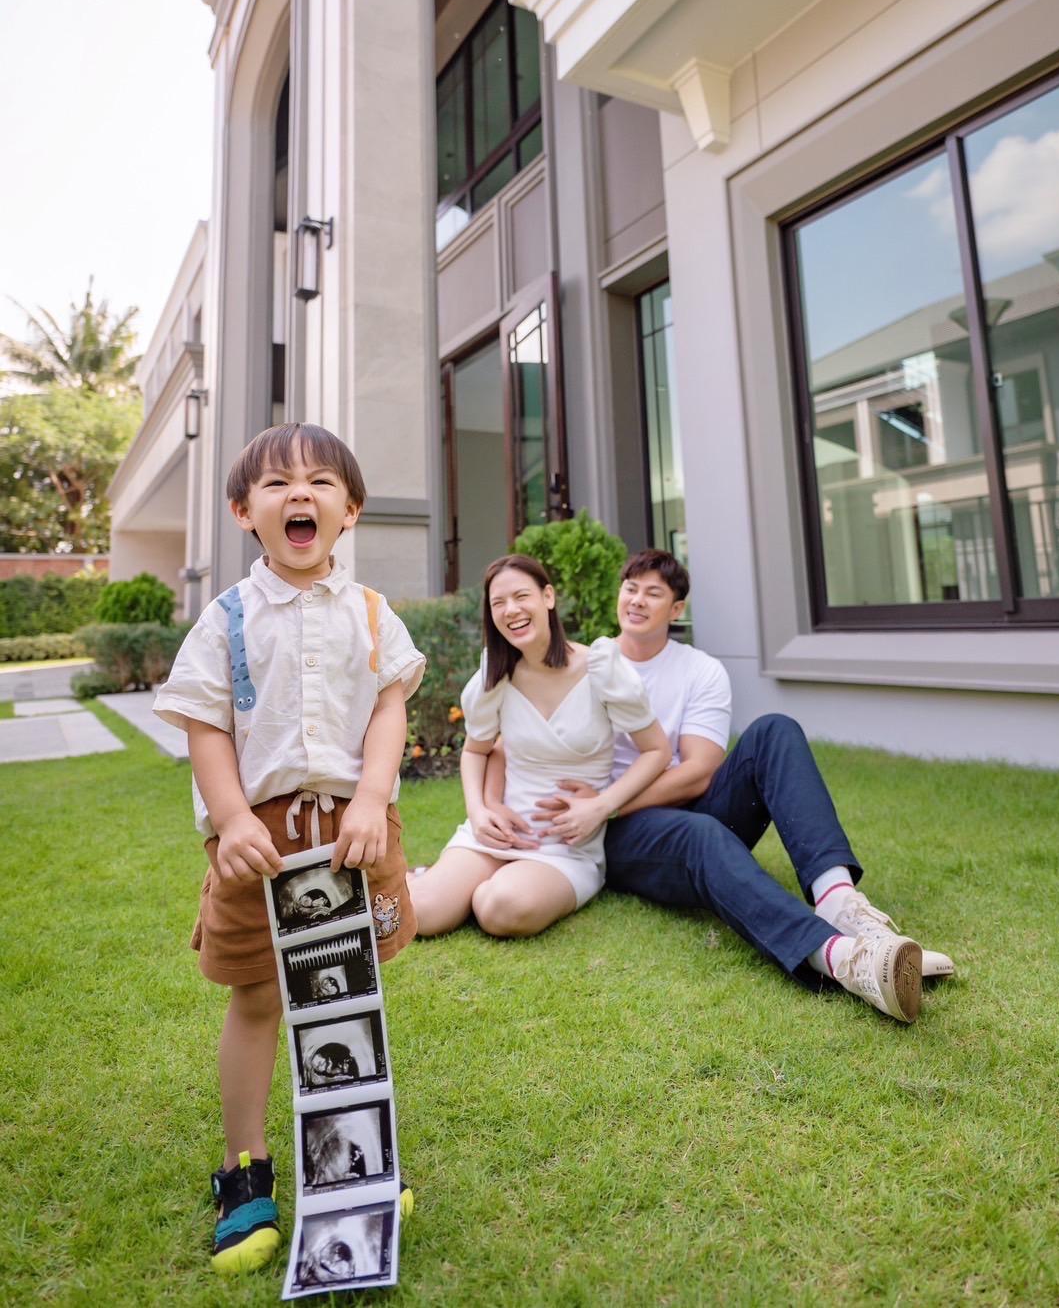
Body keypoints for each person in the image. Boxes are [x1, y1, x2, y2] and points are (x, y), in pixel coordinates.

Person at [153, 422, 425, 1275]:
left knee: (345, 991)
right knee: (259, 995)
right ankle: (245, 1168)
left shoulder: (371, 613)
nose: (298, 493)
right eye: (276, 483)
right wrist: (231, 818)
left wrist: (372, 797)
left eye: (318, 481)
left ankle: (351, 1152)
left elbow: (387, 709)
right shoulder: (225, 618)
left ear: (350, 510)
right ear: (244, 511)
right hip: (258, 841)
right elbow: (205, 723)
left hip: (352, 829)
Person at [508, 549, 955, 1025]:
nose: (636, 601)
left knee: (774, 730)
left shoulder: (700, 670)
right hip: (617, 833)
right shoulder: (587, 663)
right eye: (630, 589)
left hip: (636, 805)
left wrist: (608, 802)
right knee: (701, 834)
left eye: (653, 593)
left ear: (676, 609)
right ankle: (842, 959)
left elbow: (699, 772)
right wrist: (594, 809)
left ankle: (839, 902)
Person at [409, 554, 671, 939]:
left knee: (500, 908)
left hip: (564, 846)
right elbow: (477, 751)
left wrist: (601, 806)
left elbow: (657, 751)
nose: (511, 610)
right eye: (498, 603)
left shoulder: (601, 668)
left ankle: (482, 886)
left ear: (548, 597)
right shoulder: (495, 677)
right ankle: (446, 882)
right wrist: (480, 811)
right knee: (422, 914)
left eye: (521, 596)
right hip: (496, 833)